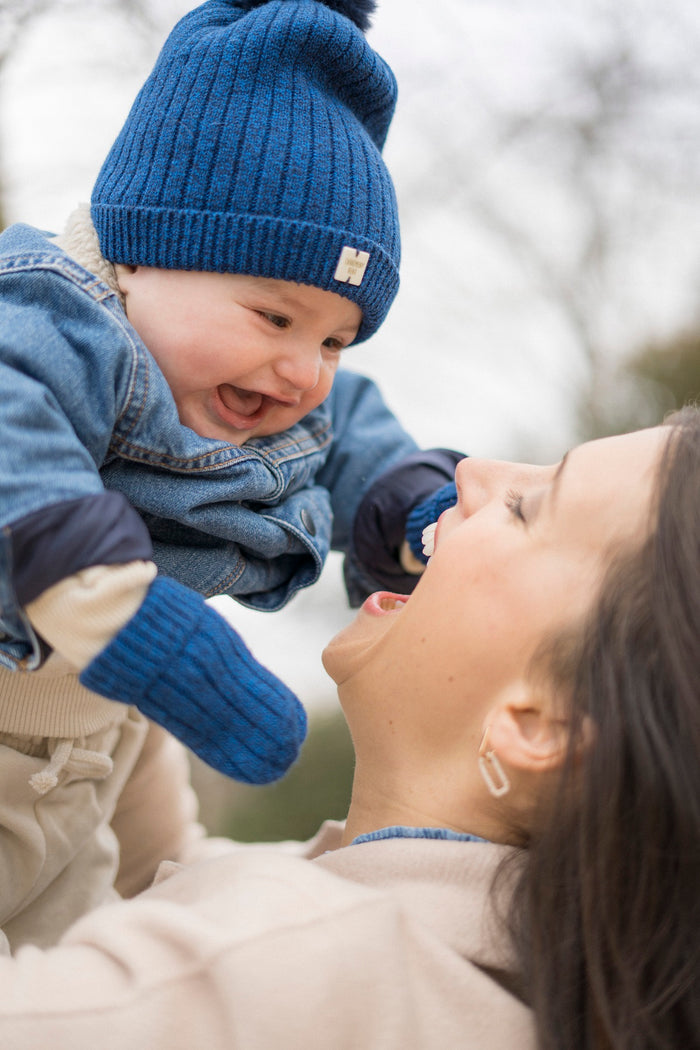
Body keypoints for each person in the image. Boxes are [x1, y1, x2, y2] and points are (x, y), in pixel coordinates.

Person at [0, 411, 697, 1050]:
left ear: (542, 726)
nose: (470, 470)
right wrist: (87, 652)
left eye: (525, 508)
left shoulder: (294, 966)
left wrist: (64, 579)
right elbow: (138, 875)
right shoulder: (457, 981)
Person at [0, 0, 462, 950]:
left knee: (82, 955)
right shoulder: (54, 318)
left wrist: (417, 507)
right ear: (141, 255)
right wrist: (115, 608)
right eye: (275, 317)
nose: (304, 370)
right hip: (35, 687)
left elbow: (353, 433)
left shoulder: (273, 393)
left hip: (94, 738)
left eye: (335, 339)